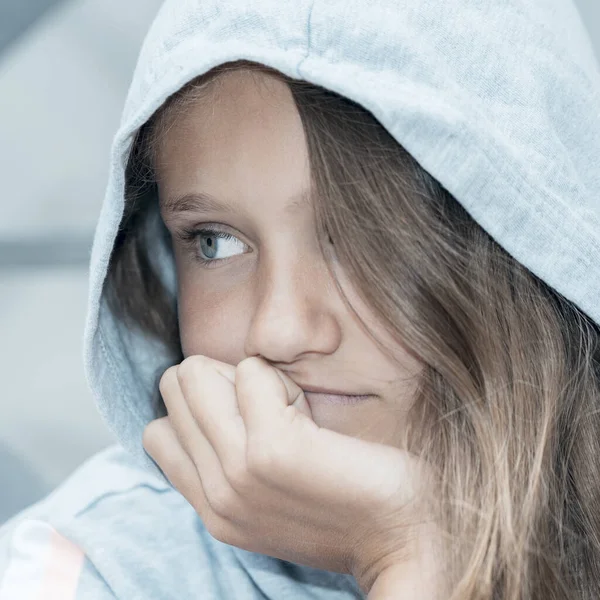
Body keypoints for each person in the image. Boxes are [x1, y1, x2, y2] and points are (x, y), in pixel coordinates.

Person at [1, 0, 599, 597]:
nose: (278, 331)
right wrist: (408, 547)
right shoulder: (81, 573)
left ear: (527, 250)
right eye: (213, 242)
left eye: (361, 235)